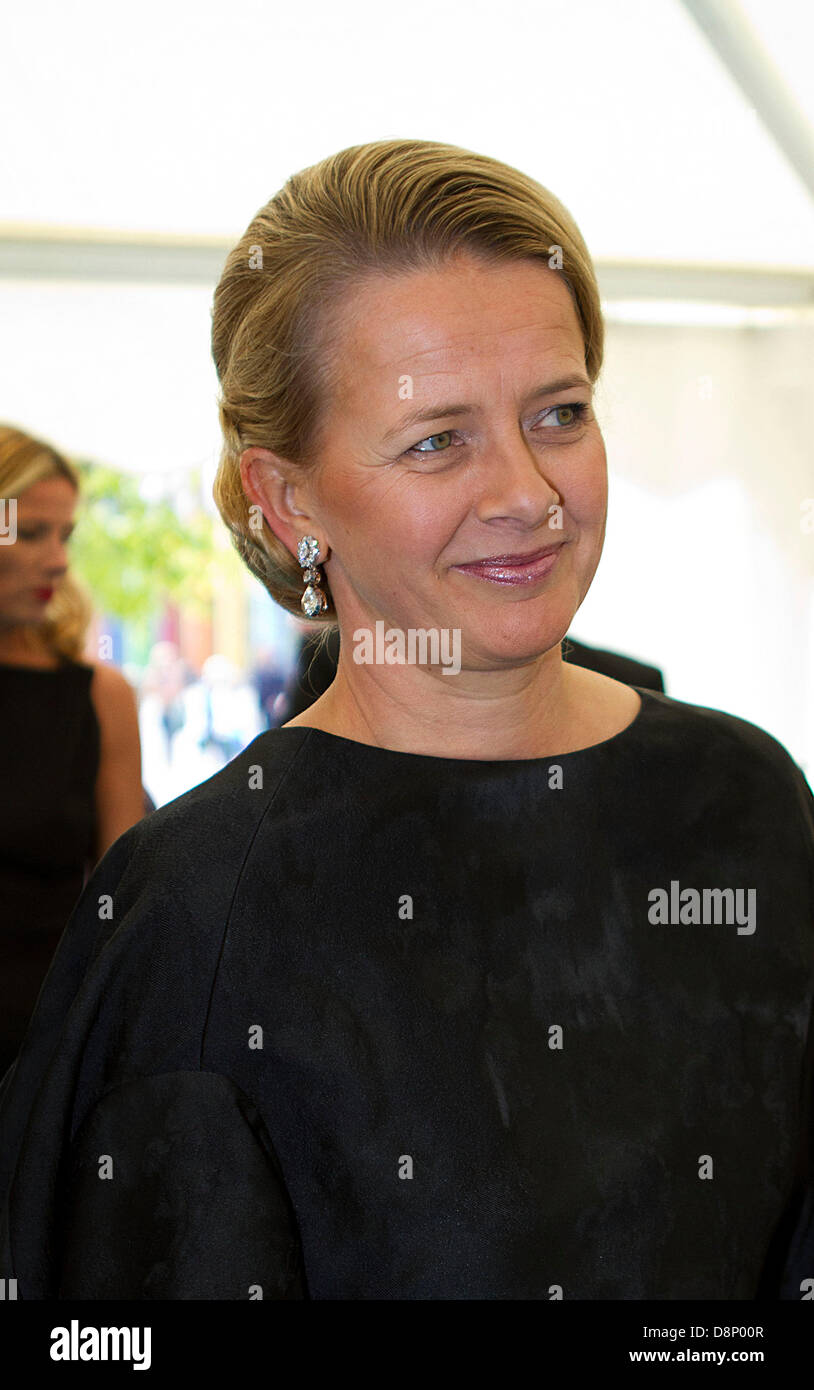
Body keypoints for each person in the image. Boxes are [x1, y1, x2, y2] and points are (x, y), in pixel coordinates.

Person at [1, 139, 813, 1301]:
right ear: (289, 498)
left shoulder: (743, 797)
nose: (527, 495)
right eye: (436, 439)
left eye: (559, 412)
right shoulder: (194, 918)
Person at [0, 426, 145, 1076]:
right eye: (31, 533)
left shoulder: (98, 698)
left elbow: (129, 910)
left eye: (65, 536)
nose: (58, 561)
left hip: (46, 1062)